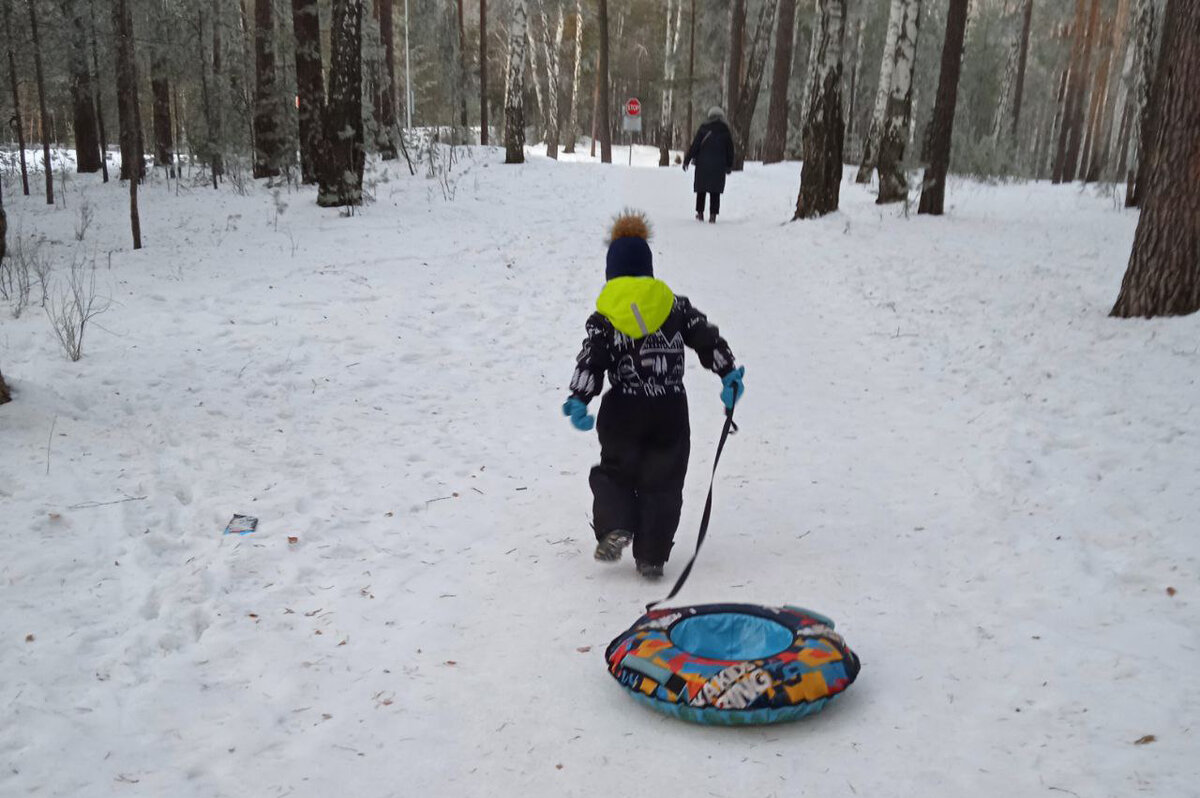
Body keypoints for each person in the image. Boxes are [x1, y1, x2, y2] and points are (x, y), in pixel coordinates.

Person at [562, 211, 745, 578]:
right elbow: (707, 338)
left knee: (616, 472)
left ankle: (615, 524)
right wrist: (728, 373)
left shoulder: (605, 317)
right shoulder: (676, 306)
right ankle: (652, 556)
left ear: (611, 274)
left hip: (623, 409)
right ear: (648, 270)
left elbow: (592, 358)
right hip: (669, 408)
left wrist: (580, 397)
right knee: (664, 482)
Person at [683, 107, 735, 223]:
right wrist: (729, 165)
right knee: (715, 191)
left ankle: (700, 213)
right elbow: (730, 150)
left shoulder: (703, 128)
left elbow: (695, 145)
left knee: (701, 189)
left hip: (703, 164)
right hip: (719, 165)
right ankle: (713, 215)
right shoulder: (725, 130)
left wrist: (687, 160)